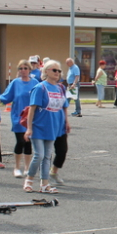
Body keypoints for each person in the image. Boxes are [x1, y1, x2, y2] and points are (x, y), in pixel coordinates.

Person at [23, 60, 70, 194]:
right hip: (38, 126)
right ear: (46, 72)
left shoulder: (60, 88)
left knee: (47, 156)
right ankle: (29, 180)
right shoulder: (40, 88)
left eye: (59, 71)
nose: (57, 73)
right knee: (39, 155)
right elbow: (32, 109)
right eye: (54, 70)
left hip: (53, 127)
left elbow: (63, 107)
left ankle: (45, 184)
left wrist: (66, 122)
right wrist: (29, 128)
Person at [0, 59, 39, 178]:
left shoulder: (35, 82)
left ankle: (27, 167)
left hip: (31, 117)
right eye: (21, 68)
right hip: (18, 116)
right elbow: (6, 95)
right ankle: (16, 167)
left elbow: (41, 97)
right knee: (20, 141)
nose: (23, 70)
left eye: (25, 68)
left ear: (29, 70)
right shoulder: (15, 83)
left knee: (28, 142)